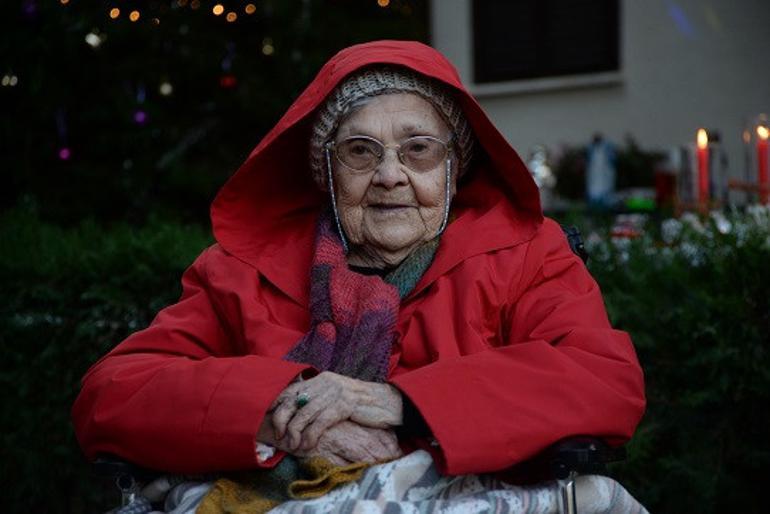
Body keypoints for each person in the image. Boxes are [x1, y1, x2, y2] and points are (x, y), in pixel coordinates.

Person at [72, 41, 647, 513]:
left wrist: (398, 402)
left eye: (419, 150)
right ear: (327, 171)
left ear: (453, 168)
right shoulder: (241, 271)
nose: (390, 175)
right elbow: (112, 393)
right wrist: (281, 410)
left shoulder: (525, 254)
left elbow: (602, 380)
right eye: (360, 151)